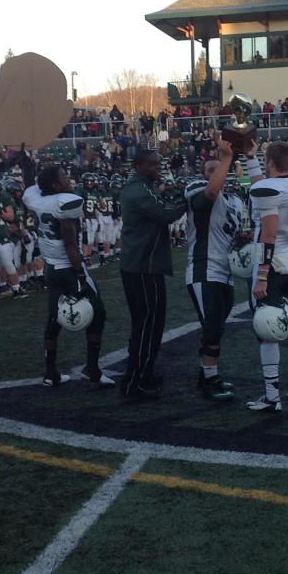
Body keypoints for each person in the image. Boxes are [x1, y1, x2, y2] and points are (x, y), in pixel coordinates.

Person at [22, 165, 114, 388]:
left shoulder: (35, 198)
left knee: (54, 318)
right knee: (98, 312)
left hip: (50, 268)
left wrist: (31, 168)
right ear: (54, 184)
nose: (69, 178)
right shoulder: (65, 203)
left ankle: (50, 372)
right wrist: (80, 275)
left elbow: (32, 187)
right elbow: (71, 244)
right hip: (68, 267)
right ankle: (91, 368)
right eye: (63, 176)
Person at [118, 150, 188, 401]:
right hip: (143, 267)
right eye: (152, 164)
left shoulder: (143, 186)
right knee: (148, 324)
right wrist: (185, 195)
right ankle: (135, 381)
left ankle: (142, 373)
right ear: (138, 165)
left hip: (142, 265)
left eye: (159, 164)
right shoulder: (139, 189)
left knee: (147, 324)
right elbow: (167, 212)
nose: (157, 168)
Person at [247, 141, 288, 411]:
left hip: (274, 265)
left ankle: (272, 397)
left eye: (263, 158)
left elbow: (269, 233)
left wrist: (262, 275)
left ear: (271, 162)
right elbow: (267, 187)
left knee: (267, 330)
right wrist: (251, 159)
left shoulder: (268, 188)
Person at [183, 140, 240, 401]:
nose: (213, 172)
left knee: (215, 327)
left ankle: (204, 375)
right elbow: (208, 195)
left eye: (217, 169)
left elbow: (237, 236)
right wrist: (226, 160)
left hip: (227, 274)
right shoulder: (197, 188)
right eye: (209, 169)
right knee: (213, 328)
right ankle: (210, 380)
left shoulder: (235, 201)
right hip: (203, 270)